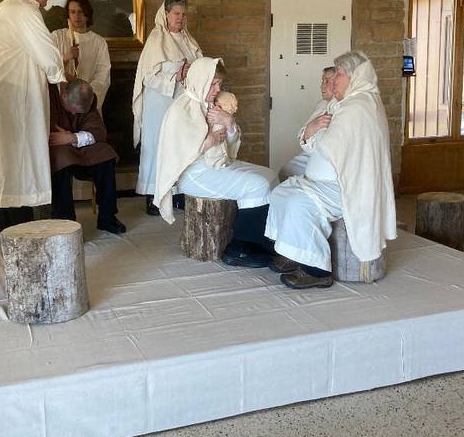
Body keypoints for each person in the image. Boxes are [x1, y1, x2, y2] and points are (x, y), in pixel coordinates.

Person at [264, 51, 398, 289]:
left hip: (347, 186)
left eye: (339, 74)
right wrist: (312, 132)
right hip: (323, 182)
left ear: (356, 77)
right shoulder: (341, 103)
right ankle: (295, 253)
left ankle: (316, 269)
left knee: (299, 203)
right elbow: (309, 134)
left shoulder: (359, 106)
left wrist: (314, 133)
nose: (333, 79)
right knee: (280, 193)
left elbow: (327, 144)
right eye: (334, 73)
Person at [0, 0, 71, 238]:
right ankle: (16, 234)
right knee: (13, 162)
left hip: (10, 95)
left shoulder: (11, 7)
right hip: (7, 98)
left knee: (10, 163)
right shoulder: (21, 9)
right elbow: (47, 51)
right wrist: (61, 83)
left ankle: (11, 232)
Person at [153, 57, 278, 266]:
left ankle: (263, 239)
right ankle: (240, 247)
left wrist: (228, 123)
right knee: (258, 185)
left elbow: (229, 147)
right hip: (195, 173)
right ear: (200, 79)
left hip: (218, 163)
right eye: (213, 83)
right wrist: (207, 142)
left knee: (270, 175)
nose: (217, 88)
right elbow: (174, 153)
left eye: (219, 83)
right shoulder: (182, 108)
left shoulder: (211, 104)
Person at [132, 0, 203, 215]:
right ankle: (155, 197)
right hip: (160, 104)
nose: (180, 18)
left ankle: (177, 194)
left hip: (182, 103)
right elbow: (148, 78)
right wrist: (176, 75)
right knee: (158, 147)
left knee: (180, 145)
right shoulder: (156, 40)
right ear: (166, 14)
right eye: (176, 13)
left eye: (183, 14)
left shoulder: (188, 39)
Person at [47, 79, 126, 234]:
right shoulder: (49, 95)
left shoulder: (87, 98)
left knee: (106, 154)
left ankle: (107, 217)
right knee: (61, 159)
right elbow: (49, 132)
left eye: (79, 113)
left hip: (78, 145)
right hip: (57, 148)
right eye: (72, 110)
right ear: (64, 96)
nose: (75, 114)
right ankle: (65, 222)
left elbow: (98, 131)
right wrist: (67, 139)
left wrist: (72, 138)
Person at [51, 0, 111, 111]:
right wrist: (65, 58)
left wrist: (84, 94)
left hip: (87, 103)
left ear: (87, 14)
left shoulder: (99, 42)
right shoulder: (57, 37)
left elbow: (102, 76)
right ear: (68, 14)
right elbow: (48, 68)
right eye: (72, 12)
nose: (77, 16)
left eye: (81, 12)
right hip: (62, 103)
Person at [278, 66, 336, 181]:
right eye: (322, 81)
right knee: (285, 171)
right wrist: (310, 129)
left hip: (327, 158)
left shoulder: (345, 107)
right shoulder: (321, 104)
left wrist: (310, 132)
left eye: (327, 81)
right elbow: (303, 133)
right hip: (309, 152)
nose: (322, 86)